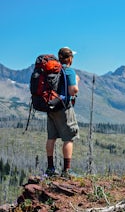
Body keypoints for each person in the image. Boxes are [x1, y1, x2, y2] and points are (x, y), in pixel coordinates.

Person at [45, 47, 80, 178]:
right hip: (63, 108)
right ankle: (67, 170)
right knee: (69, 137)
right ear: (70, 58)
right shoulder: (69, 71)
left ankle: (50, 168)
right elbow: (73, 91)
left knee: (51, 137)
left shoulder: (52, 71)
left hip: (50, 107)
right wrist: (76, 80)